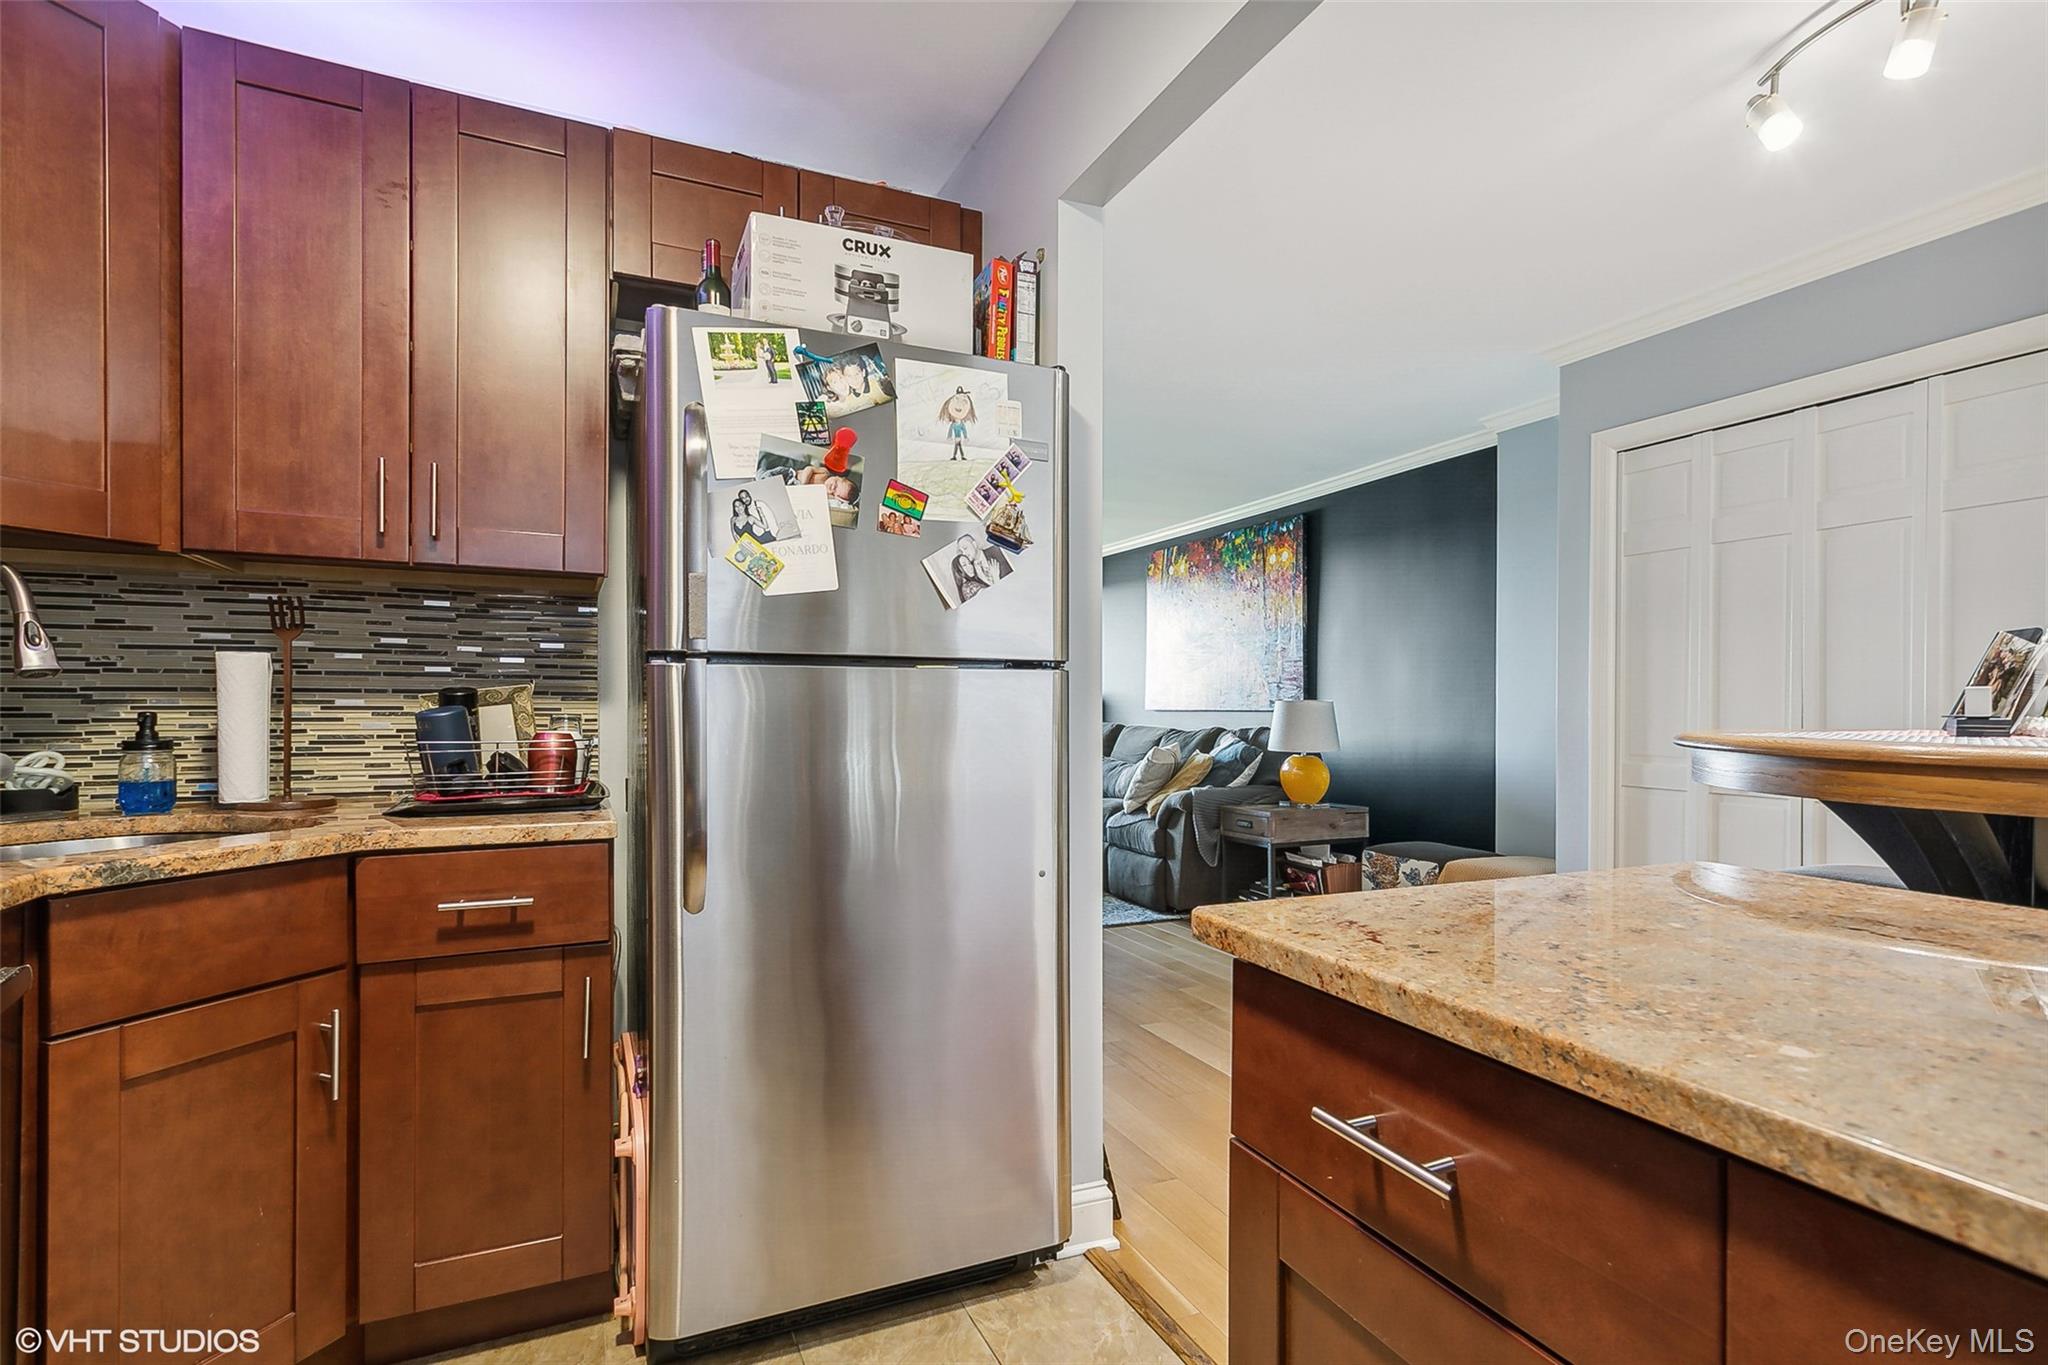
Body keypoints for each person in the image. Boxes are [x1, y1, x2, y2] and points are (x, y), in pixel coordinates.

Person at [938, 387, 976, 460]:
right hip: (956, 438)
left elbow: (964, 430)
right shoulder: (954, 424)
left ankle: (958, 456)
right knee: (958, 447)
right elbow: (950, 430)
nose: (959, 405)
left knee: (958, 447)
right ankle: (959, 456)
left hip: (958, 438)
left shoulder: (961, 424)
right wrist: (949, 436)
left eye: (964, 401)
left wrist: (965, 436)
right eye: (956, 399)